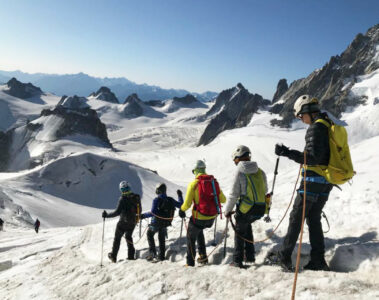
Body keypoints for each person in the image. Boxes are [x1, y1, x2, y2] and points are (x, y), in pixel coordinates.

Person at [266, 95, 333, 271]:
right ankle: (318, 259)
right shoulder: (328, 124)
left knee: (296, 218)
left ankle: (284, 256)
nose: (300, 119)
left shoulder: (316, 128)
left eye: (300, 116)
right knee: (313, 219)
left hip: (312, 181)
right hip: (326, 182)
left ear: (306, 111)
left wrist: (286, 152)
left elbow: (312, 158)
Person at [225, 145, 269, 268]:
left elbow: (234, 194)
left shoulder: (239, 171)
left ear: (238, 158)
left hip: (247, 208)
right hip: (260, 208)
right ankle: (250, 256)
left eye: (235, 159)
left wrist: (227, 211)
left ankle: (237, 260)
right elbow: (265, 189)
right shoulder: (260, 171)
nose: (234, 162)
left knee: (239, 230)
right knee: (246, 224)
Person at [179, 160, 226, 267]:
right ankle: (203, 256)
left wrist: (182, 210)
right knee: (199, 231)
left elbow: (187, 204)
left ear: (195, 171)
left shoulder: (193, 184)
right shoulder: (214, 182)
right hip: (212, 217)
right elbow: (223, 200)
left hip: (199, 217)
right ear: (204, 169)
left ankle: (190, 262)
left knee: (191, 237)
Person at [140, 183, 183, 261]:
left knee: (149, 234)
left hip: (156, 222)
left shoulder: (156, 200)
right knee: (161, 238)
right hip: (166, 223)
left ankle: (152, 253)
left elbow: (153, 212)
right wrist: (180, 195)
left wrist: (143, 216)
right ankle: (161, 256)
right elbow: (180, 205)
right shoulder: (170, 199)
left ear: (157, 191)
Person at [102, 181, 141, 263]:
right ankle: (130, 256)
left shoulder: (122, 199)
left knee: (117, 239)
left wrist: (106, 215)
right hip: (133, 222)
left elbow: (117, 212)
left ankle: (113, 256)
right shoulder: (137, 197)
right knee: (128, 237)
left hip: (123, 223)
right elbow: (139, 210)